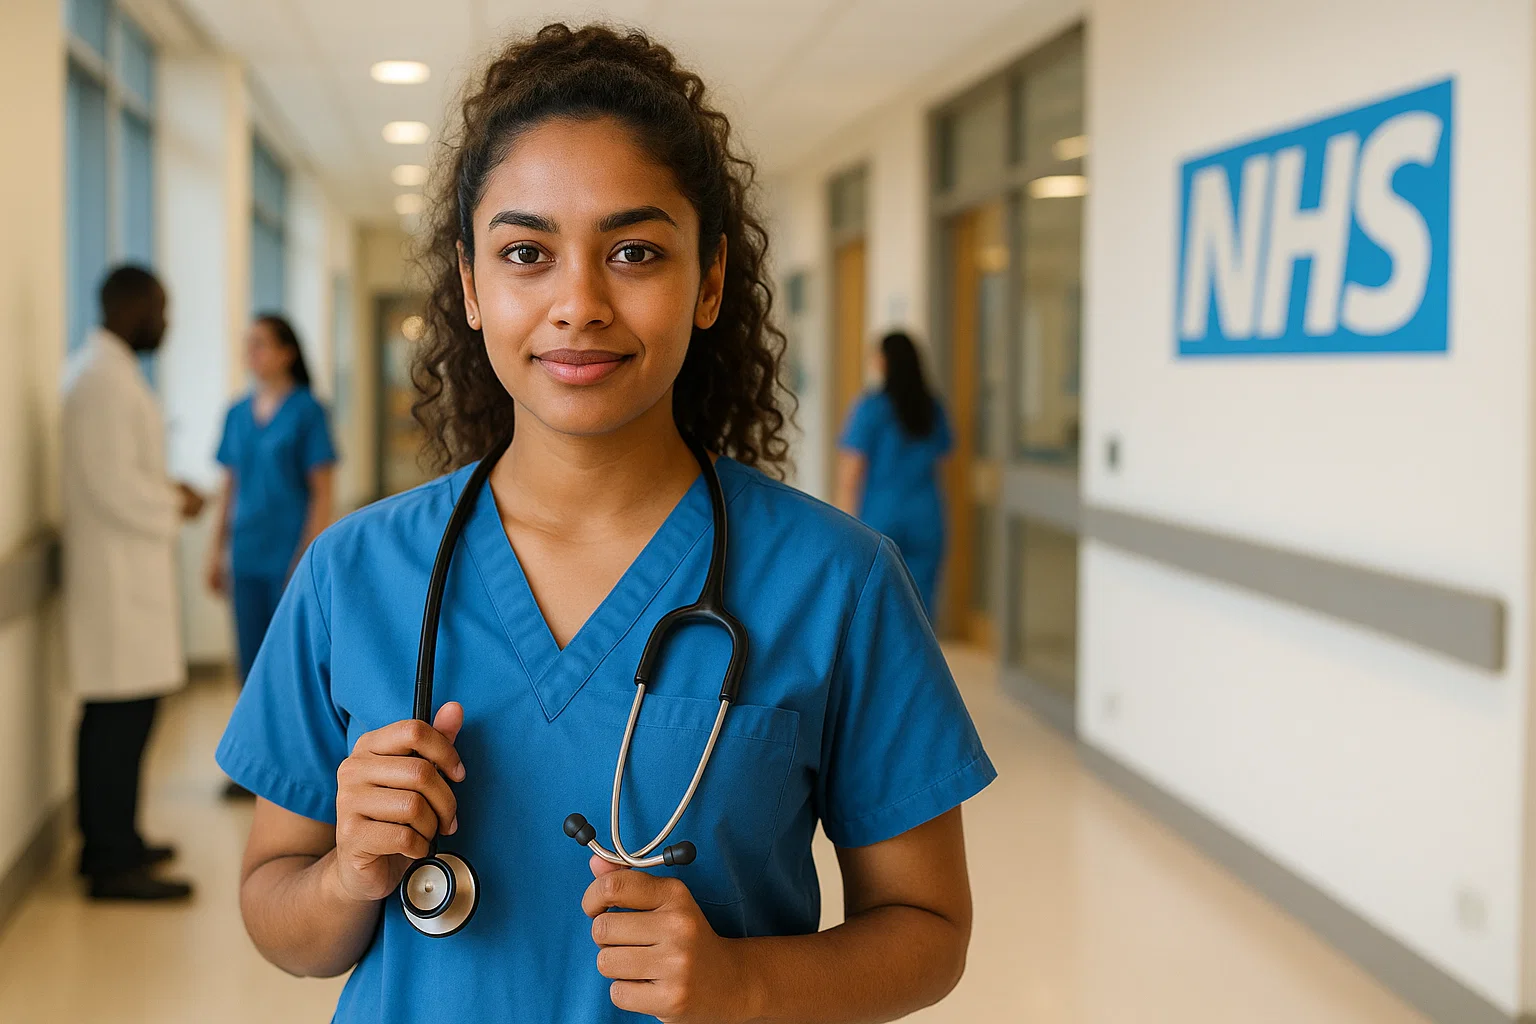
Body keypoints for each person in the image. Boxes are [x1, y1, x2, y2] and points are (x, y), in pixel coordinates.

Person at [216, 24, 994, 1023]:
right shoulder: (352, 574)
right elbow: (276, 913)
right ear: (470, 283)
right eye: (527, 253)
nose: (577, 303)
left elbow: (929, 930)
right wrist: (345, 873)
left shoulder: (836, 582)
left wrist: (746, 983)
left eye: (634, 250)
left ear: (710, 280)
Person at [61, 264, 200, 901]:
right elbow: (112, 488)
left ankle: (120, 838)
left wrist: (167, 495)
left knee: (126, 722)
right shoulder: (97, 382)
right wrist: (175, 504)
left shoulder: (110, 376)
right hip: (115, 587)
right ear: (131, 306)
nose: (167, 323)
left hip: (126, 580)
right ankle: (109, 859)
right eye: (161, 309)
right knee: (115, 724)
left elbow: (120, 476)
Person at [206, 314, 336, 798]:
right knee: (247, 661)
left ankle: (290, 773)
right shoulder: (237, 413)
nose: (251, 353)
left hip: (289, 554)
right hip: (246, 554)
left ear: (286, 352)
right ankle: (250, 767)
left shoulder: (307, 412)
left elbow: (322, 490)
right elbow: (230, 487)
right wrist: (215, 551)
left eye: (260, 344)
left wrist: (308, 555)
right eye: (247, 345)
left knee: (284, 664)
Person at [835, 331, 953, 615]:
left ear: (885, 362)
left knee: (879, 607)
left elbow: (850, 474)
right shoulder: (931, 407)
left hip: (881, 516)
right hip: (926, 515)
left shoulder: (871, 408)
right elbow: (942, 457)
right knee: (922, 606)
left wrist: (841, 526)